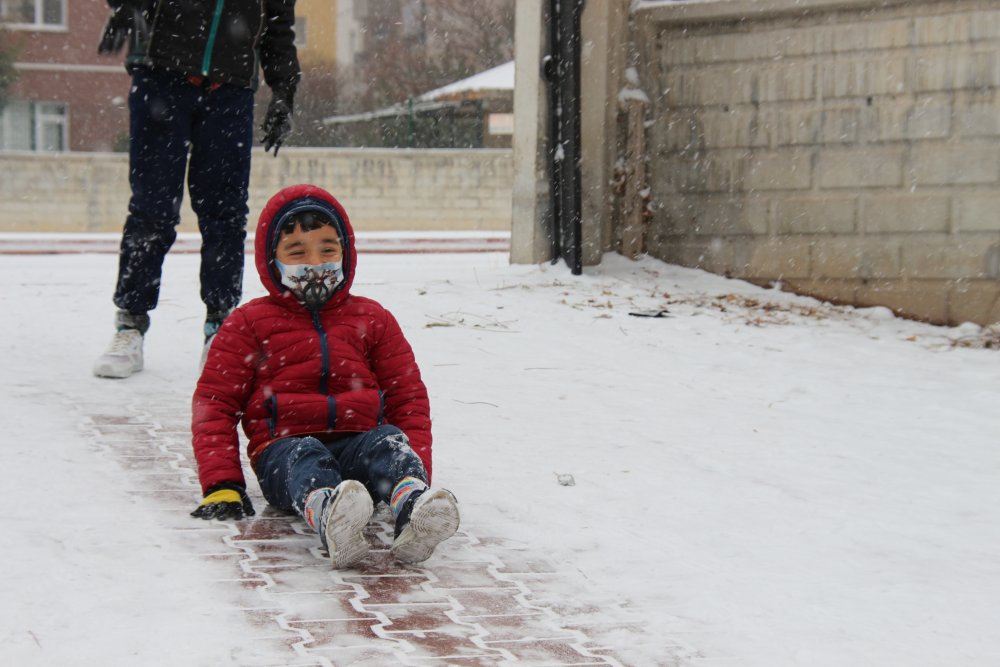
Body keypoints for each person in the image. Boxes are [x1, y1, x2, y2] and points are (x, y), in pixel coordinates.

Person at [188, 184, 460, 568]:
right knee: (306, 455)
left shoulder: (372, 319)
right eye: (297, 252)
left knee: (388, 442)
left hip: (358, 448)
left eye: (327, 250)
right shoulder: (248, 324)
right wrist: (222, 485)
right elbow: (215, 404)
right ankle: (330, 514)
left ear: (345, 254)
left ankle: (413, 508)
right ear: (272, 259)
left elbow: (407, 397)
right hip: (284, 452)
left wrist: (416, 462)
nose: (315, 263)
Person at [93, 0, 300, 378]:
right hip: (161, 75)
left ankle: (220, 330)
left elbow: (278, 26)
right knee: (152, 210)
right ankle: (130, 325)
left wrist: (284, 91)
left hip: (230, 91)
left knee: (226, 214)